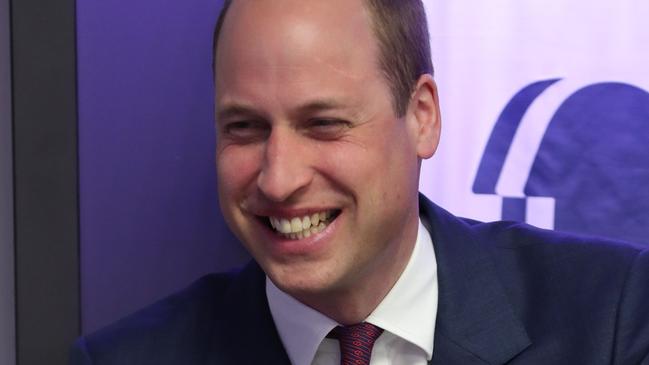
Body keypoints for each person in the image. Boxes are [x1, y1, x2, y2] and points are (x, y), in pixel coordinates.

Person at [71, 0, 649, 364]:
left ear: (422, 116)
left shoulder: (608, 316)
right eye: (245, 128)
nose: (279, 178)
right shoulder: (125, 357)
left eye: (323, 125)